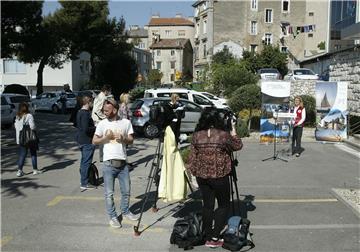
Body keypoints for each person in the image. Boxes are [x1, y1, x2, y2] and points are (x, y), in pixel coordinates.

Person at [186, 108, 243, 248]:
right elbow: (238, 145)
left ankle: (207, 235)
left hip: (202, 176)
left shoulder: (197, 135)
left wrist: (193, 174)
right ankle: (215, 237)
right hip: (220, 176)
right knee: (223, 204)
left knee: (207, 205)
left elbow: (191, 158)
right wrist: (233, 129)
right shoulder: (223, 135)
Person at [92, 98, 138, 228]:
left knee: (126, 191)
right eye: (103, 110)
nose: (104, 112)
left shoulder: (126, 122)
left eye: (107, 110)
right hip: (108, 164)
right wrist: (105, 138)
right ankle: (112, 217)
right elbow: (94, 141)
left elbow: (131, 140)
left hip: (123, 163)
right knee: (109, 194)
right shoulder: (102, 124)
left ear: (115, 109)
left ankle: (125, 211)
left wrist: (124, 138)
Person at [14, 102, 42, 177]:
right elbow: (32, 127)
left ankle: (19, 171)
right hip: (30, 138)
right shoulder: (29, 115)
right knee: (33, 153)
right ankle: (35, 170)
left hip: (21, 139)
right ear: (27, 108)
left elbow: (17, 128)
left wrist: (18, 140)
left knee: (22, 154)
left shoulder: (17, 116)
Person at [76, 95, 96, 191]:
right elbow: (85, 129)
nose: (92, 104)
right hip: (86, 140)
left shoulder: (80, 112)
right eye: (91, 102)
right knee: (86, 162)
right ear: (88, 102)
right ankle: (84, 182)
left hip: (81, 139)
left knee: (84, 161)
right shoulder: (85, 113)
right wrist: (96, 127)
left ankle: (83, 180)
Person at [92, 85, 112, 162]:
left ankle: (103, 156)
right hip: (99, 121)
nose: (109, 92)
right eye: (109, 91)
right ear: (106, 91)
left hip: (97, 120)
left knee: (102, 139)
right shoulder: (102, 97)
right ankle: (103, 157)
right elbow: (97, 110)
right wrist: (104, 117)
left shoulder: (99, 96)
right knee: (102, 140)